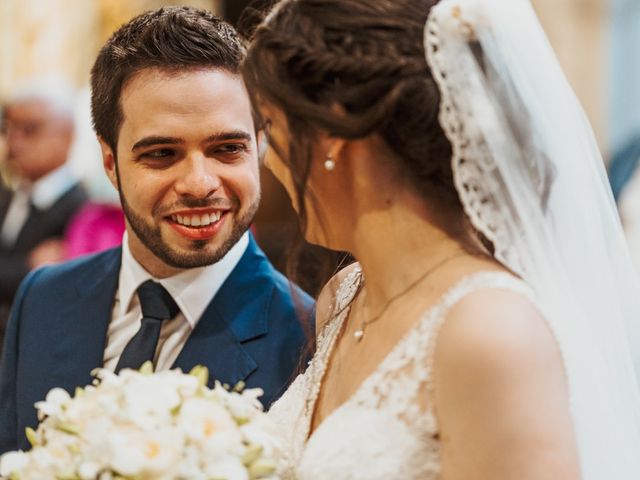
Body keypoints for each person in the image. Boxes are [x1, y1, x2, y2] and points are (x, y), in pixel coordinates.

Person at [242, 0, 640, 478]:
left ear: (331, 133)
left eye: (272, 127)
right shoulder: (343, 296)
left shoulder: (491, 333)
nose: (267, 159)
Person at [0, 6, 313, 454]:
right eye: (162, 153)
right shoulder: (44, 297)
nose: (200, 184)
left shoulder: (305, 339)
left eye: (227, 148)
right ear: (110, 163)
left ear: (259, 147)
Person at [0, 79, 88, 351]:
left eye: (30, 130)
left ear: (67, 135)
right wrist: (26, 266)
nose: (14, 142)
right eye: (8, 129)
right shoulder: (6, 196)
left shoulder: (83, 214)